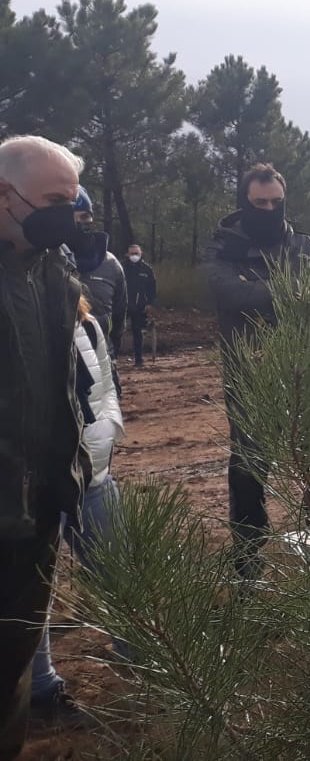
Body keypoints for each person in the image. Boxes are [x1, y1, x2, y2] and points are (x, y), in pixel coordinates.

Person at [0, 135, 92, 759]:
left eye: (75, 201)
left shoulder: (55, 274)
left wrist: (72, 475)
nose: (70, 213)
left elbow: (70, 384)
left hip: (35, 512)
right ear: (5, 197)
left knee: (11, 669)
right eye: (56, 200)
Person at [202, 163, 310, 579]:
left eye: (276, 202)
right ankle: (249, 566)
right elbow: (229, 293)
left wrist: (261, 294)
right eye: (260, 203)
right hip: (249, 375)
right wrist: (293, 292)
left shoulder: (309, 247)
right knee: (249, 470)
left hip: (308, 371)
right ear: (244, 202)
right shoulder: (222, 249)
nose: (269, 209)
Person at [30, 295, 124, 726]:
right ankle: (38, 692)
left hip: (92, 474)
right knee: (29, 594)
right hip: (24, 487)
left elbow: (105, 385)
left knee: (125, 568)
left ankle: (147, 660)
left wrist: (108, 431)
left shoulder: (83, 321)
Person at [70, 187, 126, 357]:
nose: (80, 222)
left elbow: (119, 313)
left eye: (85, 216)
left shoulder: (110, 263)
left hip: (101, 355)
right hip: (58, 364)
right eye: (73, 216)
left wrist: (113, 348)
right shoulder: (44, 259)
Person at [124, 243, 157, 366]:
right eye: (132, 253)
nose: (134, 256)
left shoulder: (147, 269)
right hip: (124, 306)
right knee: (117, 332)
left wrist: (150, 303)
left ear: (141, 253)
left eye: (136, 253)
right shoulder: (122, 268)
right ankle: (114, 358)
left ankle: (139, 360)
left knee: (138, 333)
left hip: (140, 307)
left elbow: (152, 288)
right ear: (127, 254)